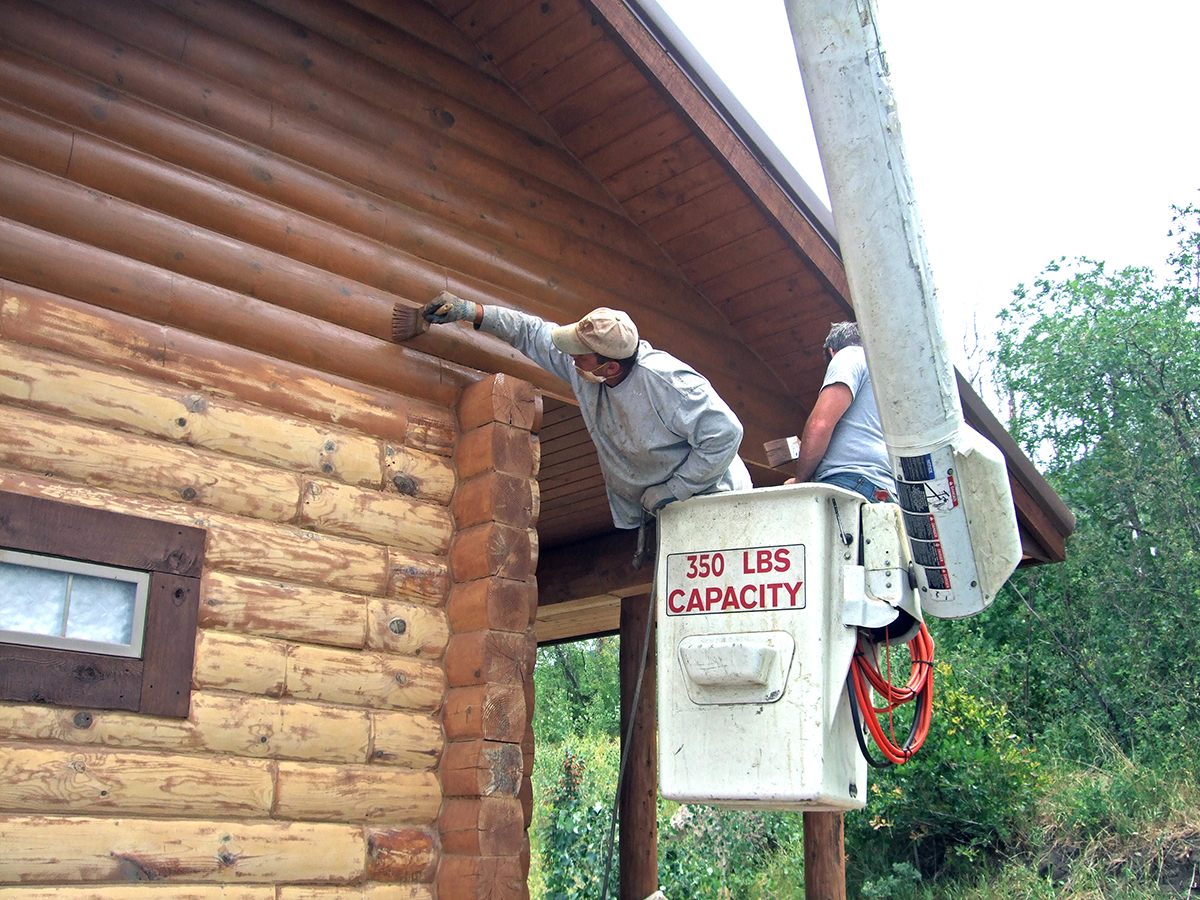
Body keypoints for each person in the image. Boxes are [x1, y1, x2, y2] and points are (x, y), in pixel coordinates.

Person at [423, 292, 752, 528]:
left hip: (718, 504)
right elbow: (531, 332)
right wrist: (472, 312)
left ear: (610, 368)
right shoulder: (585, 368)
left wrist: (672, 491)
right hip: (671, 512)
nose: (571, 356)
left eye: (581, 352)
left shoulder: (668, 383)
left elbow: (725, 435)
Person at [787, 321, 895, 501]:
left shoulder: (849, 355)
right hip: (886, 491)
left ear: (832, 351)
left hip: (851, 481)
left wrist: (800, 480)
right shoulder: (885, 377)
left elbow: (820, 425)